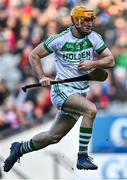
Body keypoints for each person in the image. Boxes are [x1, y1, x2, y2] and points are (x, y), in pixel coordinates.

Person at [3, 6, 115, 172]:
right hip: (62, 89)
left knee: (53, 136)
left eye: (91, 20)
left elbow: (110, 60)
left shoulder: (94, 37)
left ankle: (19, 148)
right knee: (91, 110)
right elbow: (34, 55)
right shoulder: (59, 39)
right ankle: (82, 156)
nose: (89, 24)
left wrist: (93, 63)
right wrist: (42, 76)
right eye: (85, 20)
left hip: (80, 92)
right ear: (75, 21)